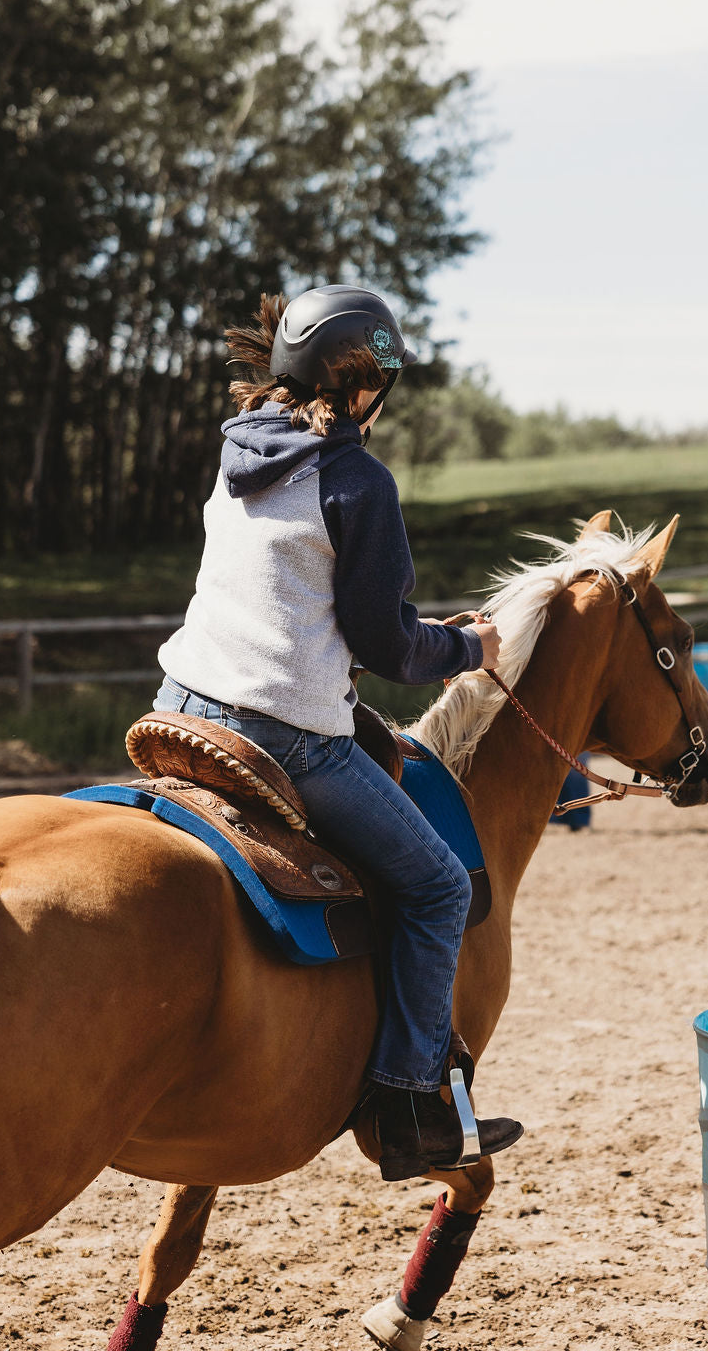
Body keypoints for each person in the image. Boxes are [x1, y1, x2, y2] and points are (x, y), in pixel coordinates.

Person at [153, 283, 523, 1181]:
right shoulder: (357, 480)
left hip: (180, 702)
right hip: (285, 736)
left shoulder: (240, 451)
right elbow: (389, 645)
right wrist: (468, 644)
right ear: (363, 382)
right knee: (436, 887)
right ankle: (406, 1099)